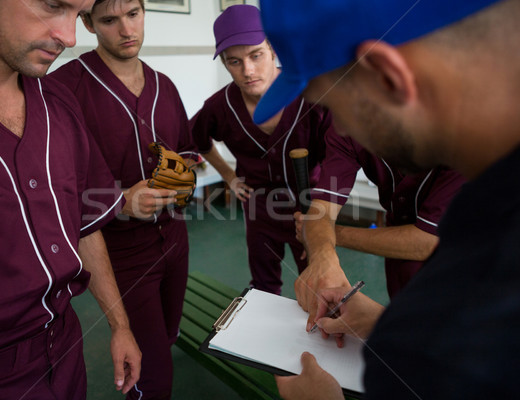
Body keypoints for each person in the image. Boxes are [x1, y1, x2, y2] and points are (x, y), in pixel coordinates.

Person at [252, 0, 520, 398]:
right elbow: (321, 209)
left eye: (333, 107)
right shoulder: (484, 218)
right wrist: (382, 320)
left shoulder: (457, 328)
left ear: (387, 77)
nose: (340, 125)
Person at [0, 0, 141, 399]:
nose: (70, 37)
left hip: (66, 347)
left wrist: (119, 324)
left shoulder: (57, 102)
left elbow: (83, 224)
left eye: (77, 14)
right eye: (53, 5)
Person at [49, 1, 197, 398]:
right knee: (151, 378)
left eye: (133, 13)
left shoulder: (164, 85)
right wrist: (120, 202)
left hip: (176, 242)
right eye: (110, 20)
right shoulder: (63, 88)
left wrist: (184, 176)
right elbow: (53, 186)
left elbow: (189, 151)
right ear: (87, 23)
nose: (126, 29)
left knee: (166, 338)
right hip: (122, 257)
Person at [190, 4, 332, 294]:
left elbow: (339, 158)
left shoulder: (311, 95)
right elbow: (197, 139)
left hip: (310, 207)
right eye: (234, 62)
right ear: (225, 63)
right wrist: (229, 176)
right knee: (263, 285)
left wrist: (322, 214)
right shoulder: (220, 107)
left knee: (319, 283)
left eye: (256, 55)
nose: (248, 71)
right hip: (258, 209)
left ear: (273, 49)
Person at [293, 127, 465, 315]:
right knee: (402, 320)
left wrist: (332, 235)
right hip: (396, 248)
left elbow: (427, 241)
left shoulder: (463, 137)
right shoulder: (348, 125)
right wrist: (323, 258)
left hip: (459, 255)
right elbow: (321, 211)